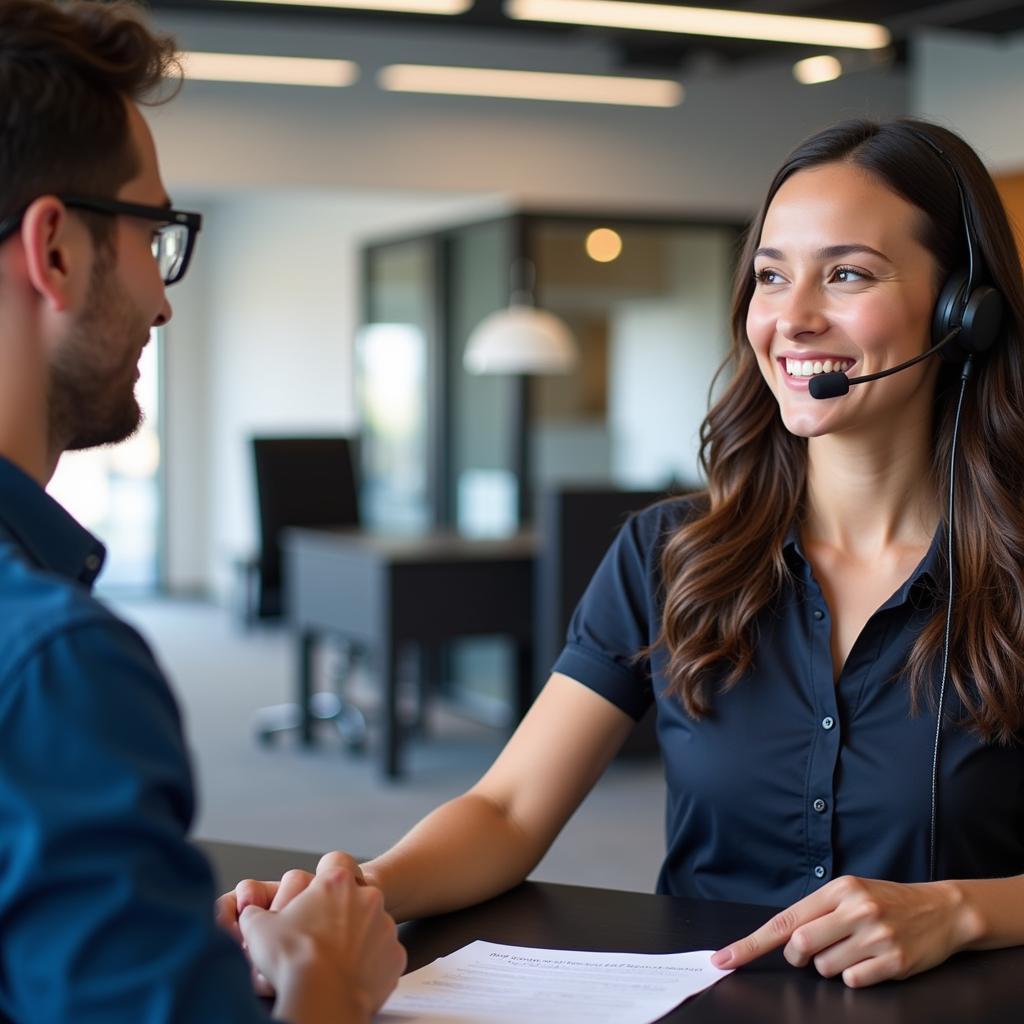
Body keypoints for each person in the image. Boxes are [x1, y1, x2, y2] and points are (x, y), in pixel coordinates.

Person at [225, 115, 1024, 990]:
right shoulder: (669, 554)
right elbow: (508, 808)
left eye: (846, 274)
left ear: (963, 310)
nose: (791, 318)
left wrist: (965, 908)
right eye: (770, 276)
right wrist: (356, 893)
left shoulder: (1013, 566)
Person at [0, 2, 404, 1022]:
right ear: (53, 251)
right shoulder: (52, 666)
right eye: (155, 235)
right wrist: (328, 978)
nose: (163, 298)